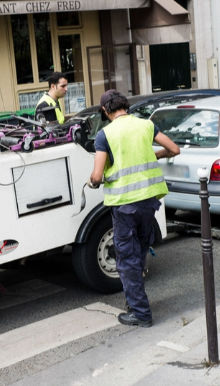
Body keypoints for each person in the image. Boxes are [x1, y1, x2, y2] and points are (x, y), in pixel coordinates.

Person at [88, 90, 180, 328]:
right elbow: (174, 149)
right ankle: (135, 301)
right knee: (138, 252)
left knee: (126, 258)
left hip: (125, 205)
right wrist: (153, 154)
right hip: (149, 202)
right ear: (125, 106)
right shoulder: (146, 125)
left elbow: (97, 176)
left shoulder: (104, 134)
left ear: (105, 111)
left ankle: (140, 313)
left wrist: (93, 180)